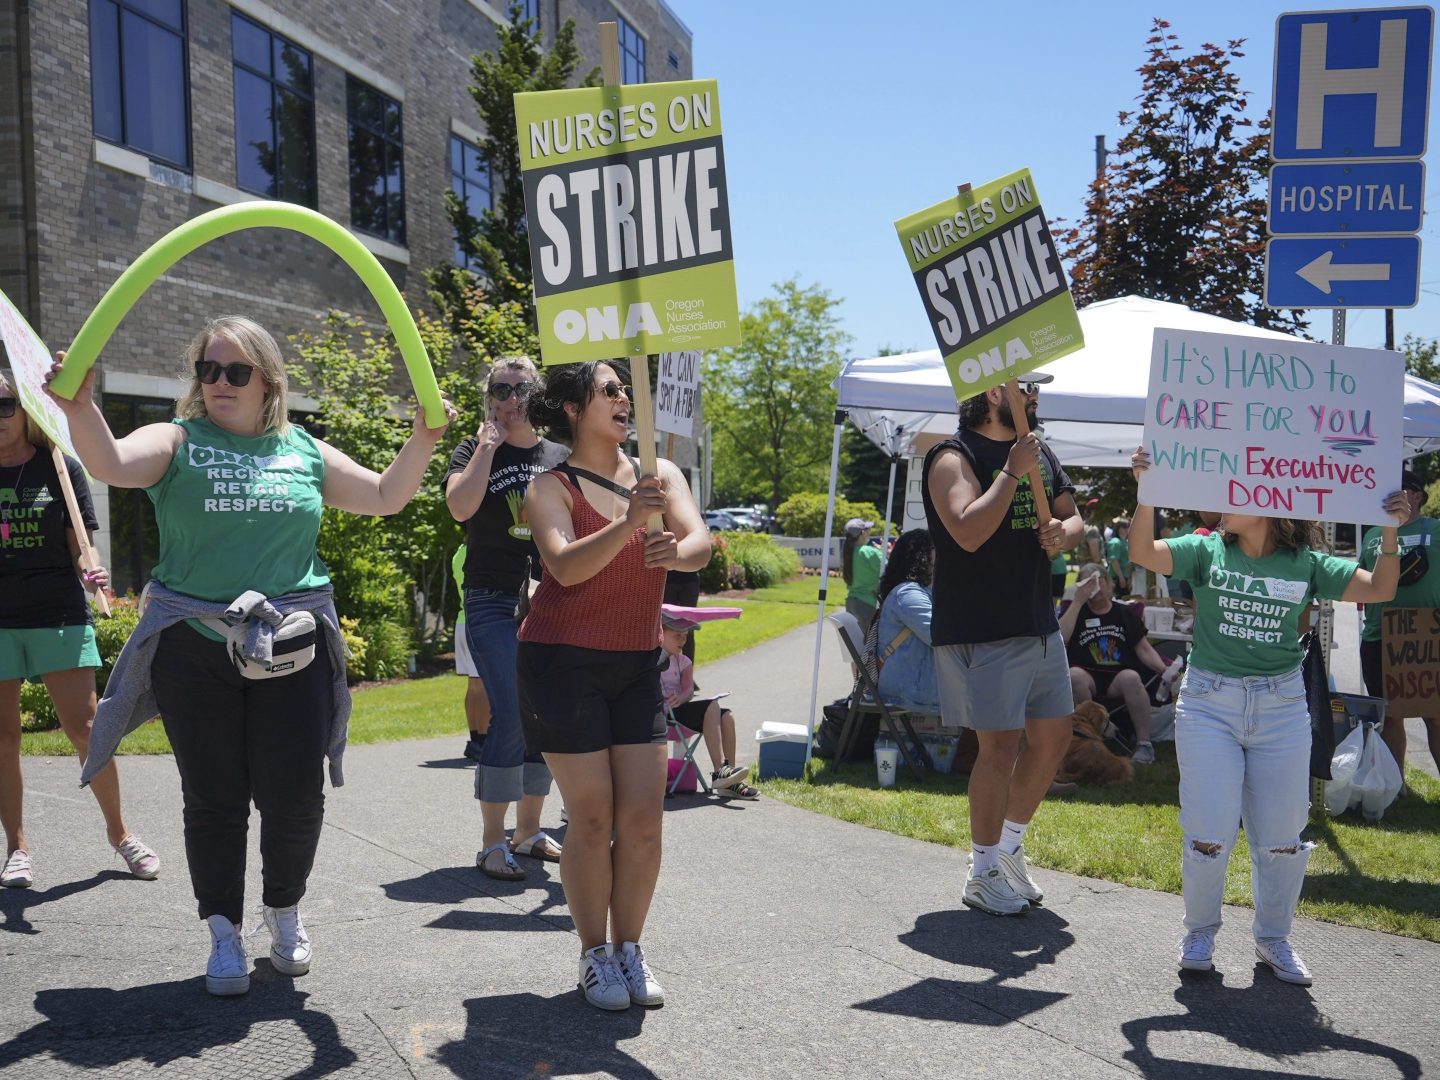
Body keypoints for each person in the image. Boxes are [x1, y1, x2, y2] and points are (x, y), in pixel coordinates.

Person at [46, 316, 455, 997]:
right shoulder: (179, 441)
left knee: (295, 798)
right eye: (208, 370)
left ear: (269, 381)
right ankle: (223, 932)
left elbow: (387, 496)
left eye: (236, 372)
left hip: (290, 647)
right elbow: (110, 464)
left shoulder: (303, 450)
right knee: (215, 798)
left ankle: (284, 910)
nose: (219, 383)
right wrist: (81, 407)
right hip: (193, 648)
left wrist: (424, 439)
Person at [1128, 446, 1406, 985]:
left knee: (1282, 837)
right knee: (1208, 831)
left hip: (1281, 710)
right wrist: (1146, 492)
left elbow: (1382, 587)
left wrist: (1389, 531)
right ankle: (1200, 930)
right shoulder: (1206, 550)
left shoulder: (1306, 564)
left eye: (1233, 492)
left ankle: (1274, 939)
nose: (1220, 503)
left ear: (1269, 503)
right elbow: (1143, 550)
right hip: (1209, 705)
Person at [518, 360, 710, 1011]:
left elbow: (700, 543)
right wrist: (630, 525)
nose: (625, 398)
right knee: (593, 816)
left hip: (635, 666)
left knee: (644, 820)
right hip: (560, 663)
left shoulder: (661, 476)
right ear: (573, 407)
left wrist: (674, 552)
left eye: (625, 389)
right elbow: (566, 568)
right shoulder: (548, 486)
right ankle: (593, 955)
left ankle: (630, 950)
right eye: (609, 389)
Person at [921, 373, 1082, 917]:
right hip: (985, 625)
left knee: (1055, 737)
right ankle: (982, 870)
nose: (1036, 399)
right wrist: (1013, 469)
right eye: (1029, 389)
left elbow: (1072, 517)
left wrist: (1066, 533)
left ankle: (1009, 850)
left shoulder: (1043, 452)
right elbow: (966, 530)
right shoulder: (952, 455)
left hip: (1038, 620)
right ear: (997, 393)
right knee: (1000, 746)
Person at [0, 374, 158, 890]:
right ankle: (17, 849)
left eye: (4, 406)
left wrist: (91, 571)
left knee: (87, 730)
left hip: (57, 614)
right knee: (3, 740)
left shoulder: (59, 469)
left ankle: (120, 832)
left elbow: (80, 549)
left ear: (24, 411)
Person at [445, 357, 568, 880]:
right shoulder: (474, 451)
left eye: (521, 389)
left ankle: (528, 831)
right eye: (501, 388)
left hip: (552, 599)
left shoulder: (560, 455)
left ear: (535, 396)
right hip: (492, 599)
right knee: (512, 711)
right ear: (489, 394)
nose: (510, 398)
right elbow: (459, 508)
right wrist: (488, 448)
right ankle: (492, 841)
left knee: (542, 714)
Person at [1358, 469, 1440, 776]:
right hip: (1380, 638)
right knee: (1390, 715)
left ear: (1417, 495)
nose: (1388, 496)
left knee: (1436, 716)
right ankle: (1396, 786)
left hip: (1429, 638)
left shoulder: (1436, 529)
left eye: (1399, 489)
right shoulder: (1372, 534)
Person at [1059, 563, 1180, 765]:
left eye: (1099, 580)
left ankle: (1144, 744)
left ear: (1108, 583)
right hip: (1087, 675)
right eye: (1088, 582)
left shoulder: (1124, 613)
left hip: (1118, 676)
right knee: (1074, 676)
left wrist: (1164, 670)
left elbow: (1143, 649)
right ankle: (1091, 741)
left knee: (1131, 677)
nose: (1095, 586)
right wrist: (1077, 602)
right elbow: (1060, 639)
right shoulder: (1076, 611)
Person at [659, 609, 757, 798]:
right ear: (661, 634)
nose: (682, 640)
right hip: (664, 718)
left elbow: (688, 688)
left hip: (680, 711)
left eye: (685, 636)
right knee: (712, 705)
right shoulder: (652, 659)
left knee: (727, 715)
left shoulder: (683, 661)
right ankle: (720, 770)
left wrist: (681, 697)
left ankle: (730, 780)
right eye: (677, 635)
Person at [873, 528, 940, 717]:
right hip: (910, 692)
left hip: (912, 685)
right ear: (922, 555)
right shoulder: (908, 594)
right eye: (936, 547)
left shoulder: (913, 591)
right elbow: (941, 638)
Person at [450, 544, 491, 763]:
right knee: (483, 686)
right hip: (476, 621)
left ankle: (475, 738)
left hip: (462, 622)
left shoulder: (459, 553)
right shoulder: (480, 550)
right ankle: (483, 741)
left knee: (473, 685)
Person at [841, 518, 884, 629]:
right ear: (863, 533)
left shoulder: (847, 552)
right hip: (867, 603)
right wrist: (885, 552)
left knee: (855, 641)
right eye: (867, 530)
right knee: (868, 643)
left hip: (851, 602)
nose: (869, 532)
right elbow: (890, 569)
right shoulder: (869, 552)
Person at [1107, 518, 1132, 595]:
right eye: (1124, 527)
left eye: (1128, 527)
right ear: (1118, 528)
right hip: (1117, 577)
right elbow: (1114, 561)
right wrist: (1121, 577)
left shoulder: (1126, 542)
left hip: (1126, 577)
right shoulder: (1115, 542)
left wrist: (1129, 578)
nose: (1126, 529)